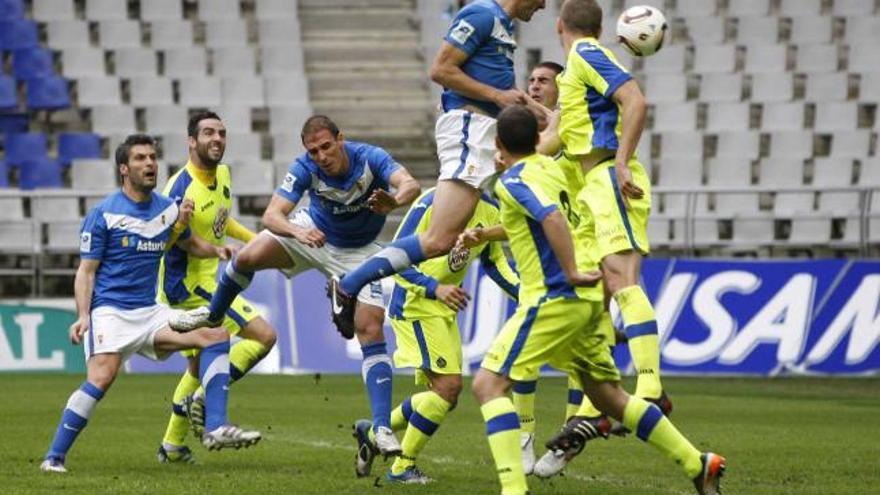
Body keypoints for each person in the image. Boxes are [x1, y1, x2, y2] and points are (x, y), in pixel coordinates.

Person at [467, 105, 725, 495]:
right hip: (585, 300)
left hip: (553, 297)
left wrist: (569, 269)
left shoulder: (512, 181)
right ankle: (697, 462)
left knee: (488, 384)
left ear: (499, 145)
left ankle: (513, 490)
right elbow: (542, 217)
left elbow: (551, 217)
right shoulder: (552, 169)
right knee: (610, 397)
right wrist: (489, 234)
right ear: (538, 140)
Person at [170, 115, 420, 457]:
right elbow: (273, 216)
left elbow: (409, 184)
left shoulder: (369, 157)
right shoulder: (304, 166)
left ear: (340, 139)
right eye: (313, 151)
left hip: (359, 252)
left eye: (326, 147)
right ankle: (212, 316)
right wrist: (298, 232)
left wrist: (396, 201)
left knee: (370, 328)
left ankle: (380, 427)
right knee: (247, 257)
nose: (321, 156)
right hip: (311, 234)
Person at [39, 135, 260, 474]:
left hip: (150, 311)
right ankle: (54, 457)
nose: (150, 164)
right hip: (111, 312)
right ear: (124, 169)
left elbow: (187, 243)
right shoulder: (103, 214)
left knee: (215, 335)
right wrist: (83, 315)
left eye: (153, 157)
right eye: (141, 158)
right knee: (102, 377)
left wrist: (216, 249)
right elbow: (86, 272)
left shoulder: (167, 209)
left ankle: (216, 426)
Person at [326, 0, 548, 337]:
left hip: (483, 132)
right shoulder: (482, 14)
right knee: (438, 239)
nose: (545, 5)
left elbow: (504, 94)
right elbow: (440, 70)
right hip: (468, 131)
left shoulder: (501, 24)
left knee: (521, 204)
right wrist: (496, 96)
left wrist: (536, 110)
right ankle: (349, 285)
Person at [354, 187, 519, 483]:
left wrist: (526, 293)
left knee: (445, 395)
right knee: (447, 388)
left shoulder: (491, 210)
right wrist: (434, 287)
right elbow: (395, 258)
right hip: (416, 304)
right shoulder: (433, 201)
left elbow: (496, 263)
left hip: (444, 309)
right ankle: (402, 467)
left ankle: (372, 432)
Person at [156, 111, 278, 463]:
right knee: (263, 336)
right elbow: (176, 243)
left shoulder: (223, 174)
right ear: (191, 141)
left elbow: (224, 220)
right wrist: (215, 248)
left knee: (198, 365)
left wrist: (260, 241)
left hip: (211, 278)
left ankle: (172, 446)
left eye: (222, 133)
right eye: (209, 133)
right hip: (187, 286)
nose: (217, 139)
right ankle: (210, 405)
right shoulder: (179, 189)